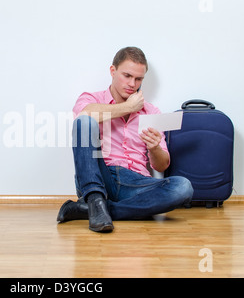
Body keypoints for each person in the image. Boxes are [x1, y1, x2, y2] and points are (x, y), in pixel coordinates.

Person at [57, 47, 193, 233]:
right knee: (84, 122)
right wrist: (128, 107)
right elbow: (83, 116)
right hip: (101, 177)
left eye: (138, 79)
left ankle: (91, 210)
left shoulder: (151, 112)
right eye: (127, 76)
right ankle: (96, 200)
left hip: (136, 183)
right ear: (113, 71)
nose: (132, 84)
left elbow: (161, 166)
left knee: (183, 187)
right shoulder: (92, 99)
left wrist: (154, 148)